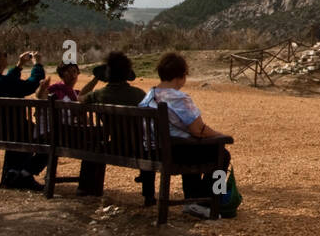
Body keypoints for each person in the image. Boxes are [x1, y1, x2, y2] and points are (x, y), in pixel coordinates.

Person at [139, 52, 232, 220]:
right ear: (181, 76)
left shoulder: (149, 95)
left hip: (152, 151)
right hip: (172, 153)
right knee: (222, 154)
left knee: (194, 148)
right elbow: (199, 130)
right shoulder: (178, 98)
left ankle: (193, 198)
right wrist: (221, 136)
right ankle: (209, 201)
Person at [0, 46, 49, 190]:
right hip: (8, 131)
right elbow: (30, 85)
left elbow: (6, 82)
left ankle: (12, 175)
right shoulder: (2, 83)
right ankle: (23, 174)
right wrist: (38, 65)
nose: (6, 57)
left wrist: (19, 66)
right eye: (4, 55)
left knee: (24, 129)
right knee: (42, 135)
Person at [80, 52, 148, 200]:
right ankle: (148, 195)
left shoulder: (98, 95)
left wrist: (96, 78)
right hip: (139, 149)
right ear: (126, 74)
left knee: (92, 147)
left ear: (107, 74)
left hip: (114, 146)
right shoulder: (139, 94)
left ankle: (84, 187)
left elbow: (80, 98)